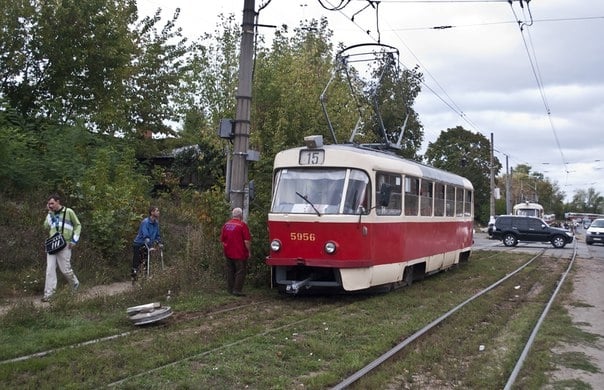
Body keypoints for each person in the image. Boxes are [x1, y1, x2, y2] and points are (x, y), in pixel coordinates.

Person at [42, 194, 82, 302]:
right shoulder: (50, 214)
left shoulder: (68, 212)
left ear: (58, 202)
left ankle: (75, 284)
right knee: (50, 269)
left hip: (65, 244)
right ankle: (49, 295)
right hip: (52, 245)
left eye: (52, 203)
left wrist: (74, 240)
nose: (50, 205)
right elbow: (46, 226)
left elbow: (78, 225)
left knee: (65, 269)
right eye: (49, 204)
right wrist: (49, 213)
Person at [220, 207, 252, 296]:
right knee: (240, 271)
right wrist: (249, 251)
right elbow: (246, 241)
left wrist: (225, 250)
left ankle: (230, 289)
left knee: (230, 270)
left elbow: (222, 240)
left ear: (233, 215)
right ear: (241, 215)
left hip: (228, 252)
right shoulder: (242, 225)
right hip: (239, 253)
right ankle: (237, 290)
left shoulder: (226, 225)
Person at [131, 206, 162, 279]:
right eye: (157, 211)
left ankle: (144, 277)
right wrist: (150, 246)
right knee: (137, 261)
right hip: (139, 243)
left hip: (148, 244)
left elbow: (157, 235)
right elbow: (146, 235)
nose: (158, 212)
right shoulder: (145, 222)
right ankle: (134, 276)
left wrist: (159, 243)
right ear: (152, 212)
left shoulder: (156, 223)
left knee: (146, 261)